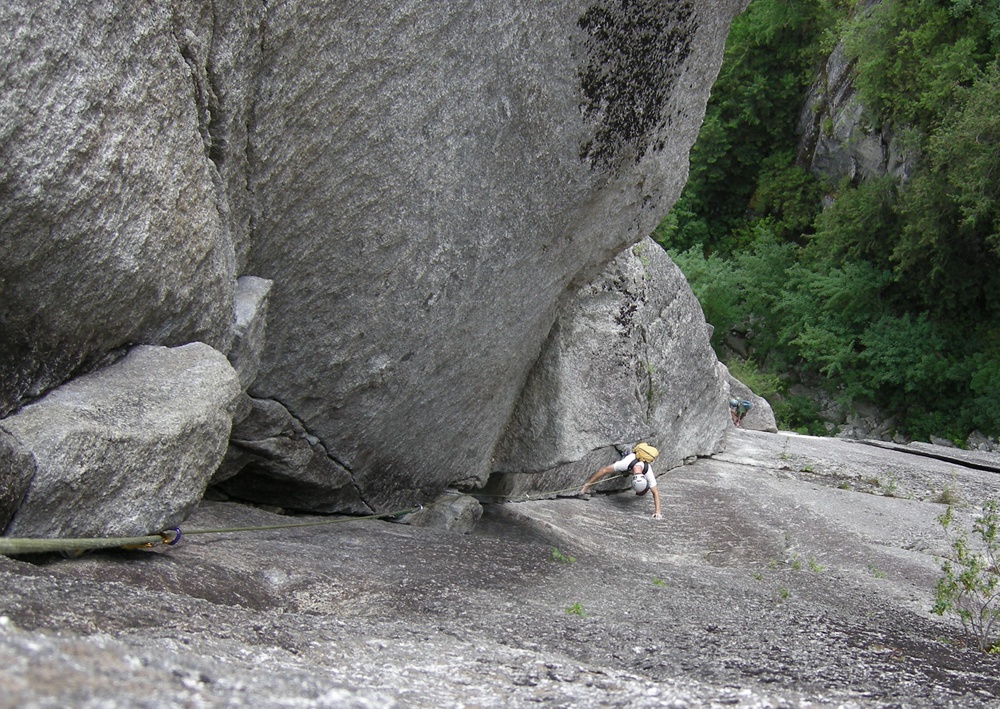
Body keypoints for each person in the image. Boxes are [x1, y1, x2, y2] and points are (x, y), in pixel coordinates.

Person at [581, 449, 662, 520]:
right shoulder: (625, 464)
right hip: (628, 462)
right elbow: (604, 470)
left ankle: (642, 489)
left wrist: (657, 512)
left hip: (632, 469)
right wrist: (586, 486)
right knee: (623, 465)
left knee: (648, 486)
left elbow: (655, 492)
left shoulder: (648, 471)